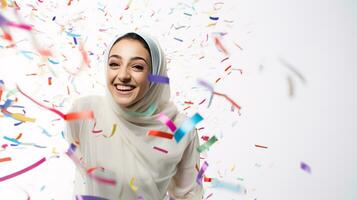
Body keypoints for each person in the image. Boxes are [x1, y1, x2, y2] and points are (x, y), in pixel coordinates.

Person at [65, 31, 204, 200]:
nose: (123, 76)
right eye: (114, 64)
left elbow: (188, 195)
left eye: (137, 66)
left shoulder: (182, 129)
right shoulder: (85, 113)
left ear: (155, 74)